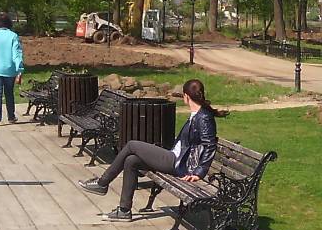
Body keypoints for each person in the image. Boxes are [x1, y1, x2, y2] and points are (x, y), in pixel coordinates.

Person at [77, 78, 219, 221]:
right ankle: (124, 210)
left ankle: (102, 183)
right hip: (175, 158)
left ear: (186, 96)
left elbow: (210, 145)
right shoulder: (197, 114)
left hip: (179, 163)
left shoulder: (203, 117)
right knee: (131, 161)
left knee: (132, 145)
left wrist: (199, 172)